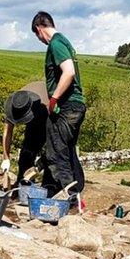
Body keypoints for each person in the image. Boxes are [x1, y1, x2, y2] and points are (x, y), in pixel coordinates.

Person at [31, 11, 86, 201]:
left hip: (66, 107)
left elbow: (68, 72)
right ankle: (76, 194)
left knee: (56, 151)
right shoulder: (65, 42)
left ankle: (67, 198)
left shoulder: (55, 43)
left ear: (39, 29)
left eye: (37, 36)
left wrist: (54, 98)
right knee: (68, 150)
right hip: (76, 106)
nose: (40, 41)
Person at [1, 81, 50, 184]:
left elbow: (55, 137)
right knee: (26, 154)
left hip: (51, 115)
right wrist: (6, 157)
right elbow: (7, 132)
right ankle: (23, 184)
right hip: (33, 114)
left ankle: (49, 186)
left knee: (53, 157)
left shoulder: (44, 105)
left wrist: (42, 161)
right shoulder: (16, 104)